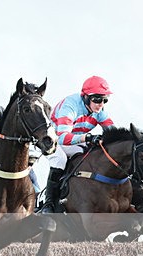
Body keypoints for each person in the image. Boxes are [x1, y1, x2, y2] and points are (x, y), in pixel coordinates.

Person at [39, 75, 114, 213]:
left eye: (105, 100)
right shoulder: (70, 106)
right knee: (60, 159)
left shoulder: (100, 111)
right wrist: (88, 137)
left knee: (91, 156)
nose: (101, 104)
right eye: (97, 99)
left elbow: (113, 133)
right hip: (51, 140)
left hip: (71, 141)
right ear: (85, 97)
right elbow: (62, 138)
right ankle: (48, 203)